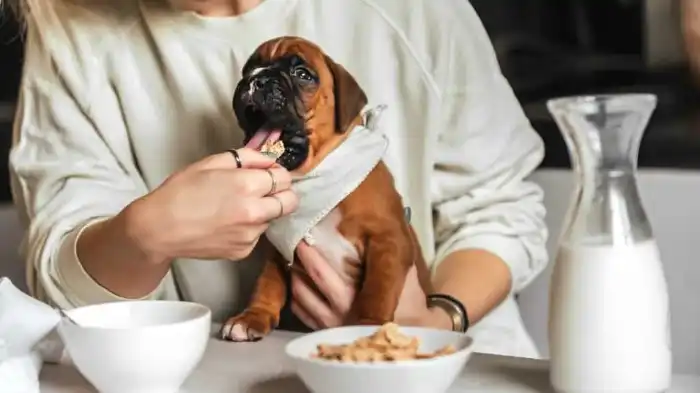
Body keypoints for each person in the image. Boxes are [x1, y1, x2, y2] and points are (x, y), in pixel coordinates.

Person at [7, 0, 548, 359]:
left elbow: (502, 209)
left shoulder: (411, 12)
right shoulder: (68, 19)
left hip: (457, 368)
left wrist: (431, 320)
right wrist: (143, 236)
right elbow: (60, 278)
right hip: (229, 373)